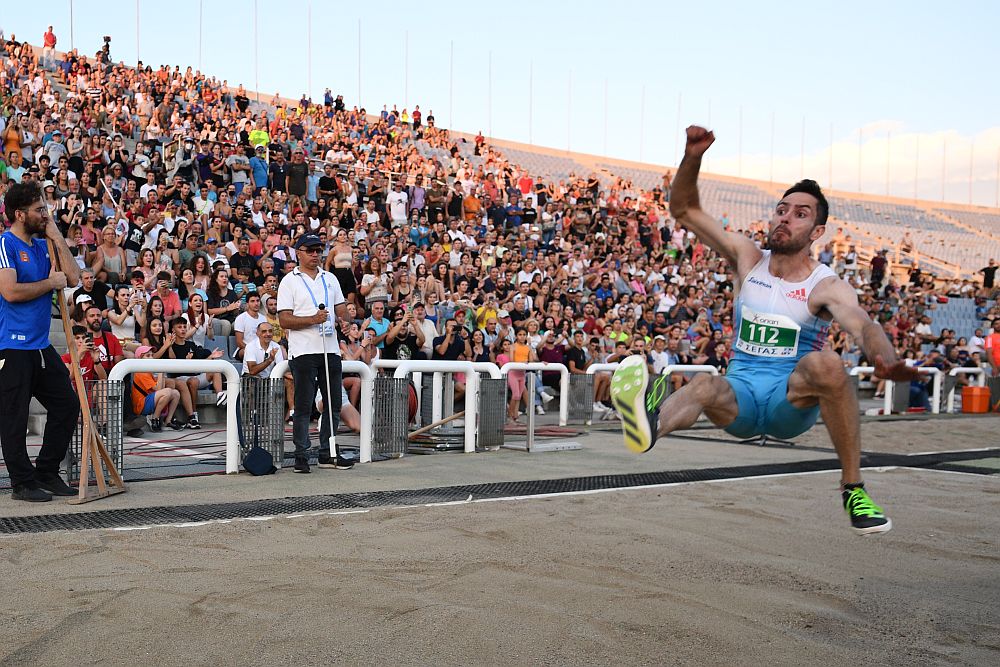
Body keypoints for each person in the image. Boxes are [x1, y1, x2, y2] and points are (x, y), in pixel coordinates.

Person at [610, 126, 918, 536]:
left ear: (817, 232)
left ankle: (853, 489)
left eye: (800, 213)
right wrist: (693, 157)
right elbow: (683, 210)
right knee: (705, 385)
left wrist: (886, 359)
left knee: (826, 362)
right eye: (782, 209)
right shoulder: (748, 259)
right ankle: (649, 427)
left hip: (787, 402)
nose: (785, 217)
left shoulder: (825, 285)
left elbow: (864, 326)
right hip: (740, 400)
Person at [0, 181, 81, 501]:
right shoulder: (5, 244)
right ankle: (22, 482)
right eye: (39, 210)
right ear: (20, 214)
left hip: (39, 345)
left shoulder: (42, 244)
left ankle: (47, 471)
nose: (45, 215)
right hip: (12, 345)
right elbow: (10, 291)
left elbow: (73, 278)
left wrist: (57, 236)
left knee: (67, 404)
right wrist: (49, 282)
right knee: (14, 416)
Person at [277, 233, 353, 473]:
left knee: (333, 405)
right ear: (298, 252)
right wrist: (314, 319)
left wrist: (346, 321)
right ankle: (301, 454)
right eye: (310, 250)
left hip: (330, 350)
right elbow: (284, 319)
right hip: (303, 352)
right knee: (303, 405)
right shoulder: (290, 280)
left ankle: (327, 451)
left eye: (318, 250)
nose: (315, 254)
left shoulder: (330, 278)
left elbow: (341, 309)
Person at [131, 345, 183, 432]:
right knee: (168, 391)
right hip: (141, 406)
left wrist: (161, 373)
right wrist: (159, 371)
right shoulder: (141, 372)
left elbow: (161, 389)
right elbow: (160, 390)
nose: (151, 358)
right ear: (140, 358)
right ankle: (154, 419)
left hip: (148, 401)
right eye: (147, 356)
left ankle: (168, 421)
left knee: (175, 393)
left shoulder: (147, 371)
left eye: (152, 355)